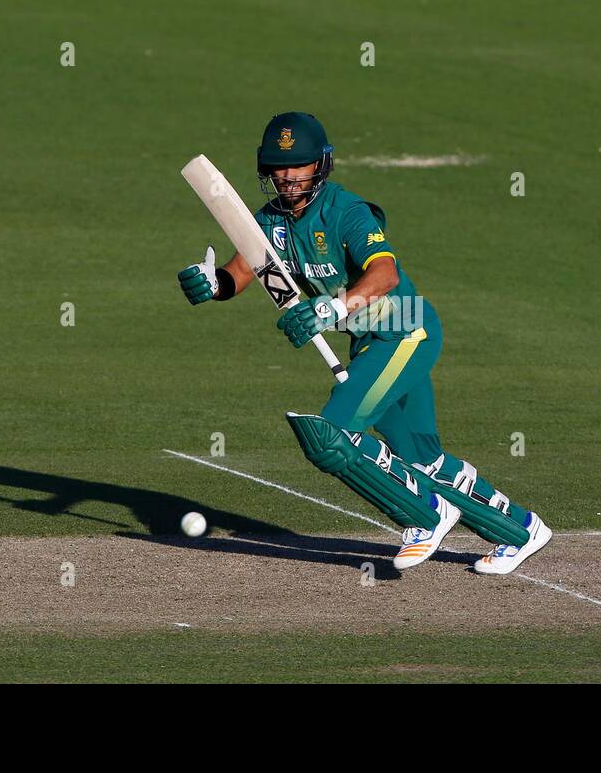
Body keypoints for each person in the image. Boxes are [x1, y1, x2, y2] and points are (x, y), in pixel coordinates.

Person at [177, 111, 551, 574]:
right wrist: (212, 284)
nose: (289, 176)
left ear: (322, 165)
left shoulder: (346, 212)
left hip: (406, 330)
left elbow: (385, 273)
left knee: (331, 437)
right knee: (422, 459)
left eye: (300, 166)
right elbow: (246, 270)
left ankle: (427, 515)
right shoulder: (268, 221)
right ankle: (519, 529)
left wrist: (332, 308)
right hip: (368, 344)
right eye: (279, 167)